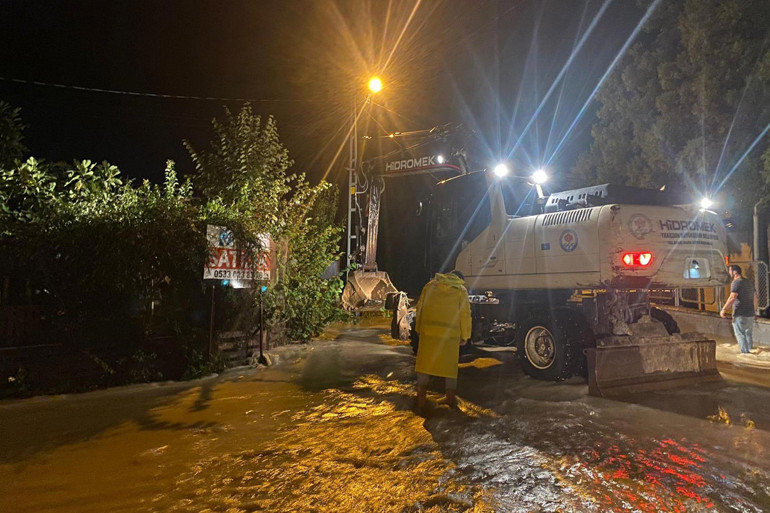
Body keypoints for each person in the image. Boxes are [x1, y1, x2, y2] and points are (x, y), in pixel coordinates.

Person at [414, 269, 471, 410]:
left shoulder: (429, 286)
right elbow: (464, 314)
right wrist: (465, 335)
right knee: (449, 369)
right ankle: (449, 400)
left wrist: (418, 328)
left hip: (428, 332)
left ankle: (421, 399)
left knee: (424, 366)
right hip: (450, 336)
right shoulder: (461, 290)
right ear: (460, 279)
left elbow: (420, 307)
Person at [720, 264, 759, 354]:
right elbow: (755, 297)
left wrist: (724, 309)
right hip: (750, 313)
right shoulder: (749, 282)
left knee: (740, 334)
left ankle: (745, 354)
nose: (729, 273)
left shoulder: (736, 282)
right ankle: (750, 349)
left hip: (739, 314)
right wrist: (754, 311)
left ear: (735, 272)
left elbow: (732, 297)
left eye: (730, 271)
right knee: (748, 333)